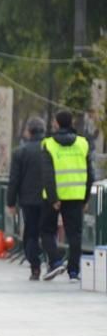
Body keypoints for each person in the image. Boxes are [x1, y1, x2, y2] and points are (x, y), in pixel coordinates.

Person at [40, 110, 94, 282]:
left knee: (46, 230)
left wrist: (54, 198)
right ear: (71, 122)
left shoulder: (48, 144)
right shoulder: (83, 144)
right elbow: (90, 174)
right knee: (75, 235)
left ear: (56, 123)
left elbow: (48, 175)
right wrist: (85, 198)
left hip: (54, 197)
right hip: (76, 196)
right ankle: (74, 272)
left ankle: (55, 261)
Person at [6, 117, 47, 280]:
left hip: (28, 200)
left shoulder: (19, 152)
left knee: (30, 232)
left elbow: (14, 179)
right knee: (47, 231)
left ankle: (35, 267)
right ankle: (52, 262)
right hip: (49, 198)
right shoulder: (50, 149)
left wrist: (11, 202)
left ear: (28, 132)